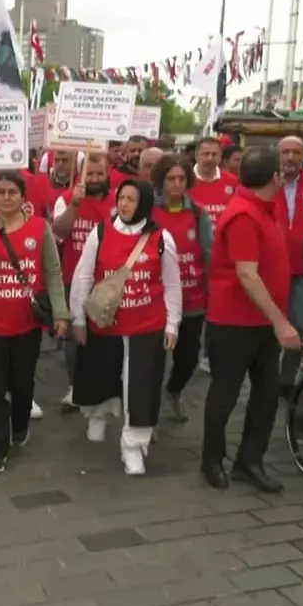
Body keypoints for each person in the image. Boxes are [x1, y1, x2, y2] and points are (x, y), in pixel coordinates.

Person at [70, 179, 180, 476]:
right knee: (101, 375)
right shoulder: (101, 232)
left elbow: (171, 284)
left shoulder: (161, 239)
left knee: (142, 384)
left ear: (144, 202)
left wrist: (173, 324)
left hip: (147, 324)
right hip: (106, 323)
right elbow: (83, 276)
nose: (125, 204)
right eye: (122, 198)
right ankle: (97, 416)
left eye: (131, 199)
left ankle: (133, 444)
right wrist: (78, 317)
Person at [200, 146, 294, 492]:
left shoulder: (264, 208)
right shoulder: (243, 214)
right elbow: (247, 275)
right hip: (235, 323)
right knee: (224, 393)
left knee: (266, 394)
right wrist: (281, 321)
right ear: (275, 178)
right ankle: (212, 460)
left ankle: (249, 461)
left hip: (263, 323)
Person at [0, 171, 69, 473]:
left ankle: (20, 423)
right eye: (1, 192)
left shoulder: (39, 229)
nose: (7, 197)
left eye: (13, 192)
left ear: (23, 197)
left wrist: (61, 313)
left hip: (26, 324)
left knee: (22, 383)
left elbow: (52, 272)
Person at [150, 154, 211, 421]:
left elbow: (209, 253)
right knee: (152, 362)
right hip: (155, 301)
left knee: (188, 360)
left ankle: (174, 390)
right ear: (161, 182)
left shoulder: (198, 213)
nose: (176, 184)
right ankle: (146, 414)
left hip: (192, 299)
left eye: (181, 179)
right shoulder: (149, 211)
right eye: (171, 179)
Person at [52, 152, 115, 407]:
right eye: (90, 174)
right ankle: (74, 385)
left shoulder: (118, 201)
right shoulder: (65, 199)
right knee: (74, 337)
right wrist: (74, 206)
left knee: (104, 337)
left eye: (100, 174)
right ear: (81, 175)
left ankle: (102, 386)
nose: (96, 179)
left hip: (107, 282)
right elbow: (58, 231)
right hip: (72, 279)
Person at [273, 136, 303, 400]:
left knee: (300, 326)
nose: (290, 157)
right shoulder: (266, 184)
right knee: (270, 329)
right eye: (285, 151)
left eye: (296, 152)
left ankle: (286, 378)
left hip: (302, 272)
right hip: (271, 272)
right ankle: (266, 377)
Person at [186, 136, 239, 228]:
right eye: (206, 154)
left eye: (214, 154)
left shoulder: (232, 181)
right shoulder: (185, 179)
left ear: (220, 156)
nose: (210, 158)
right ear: (196, 155)